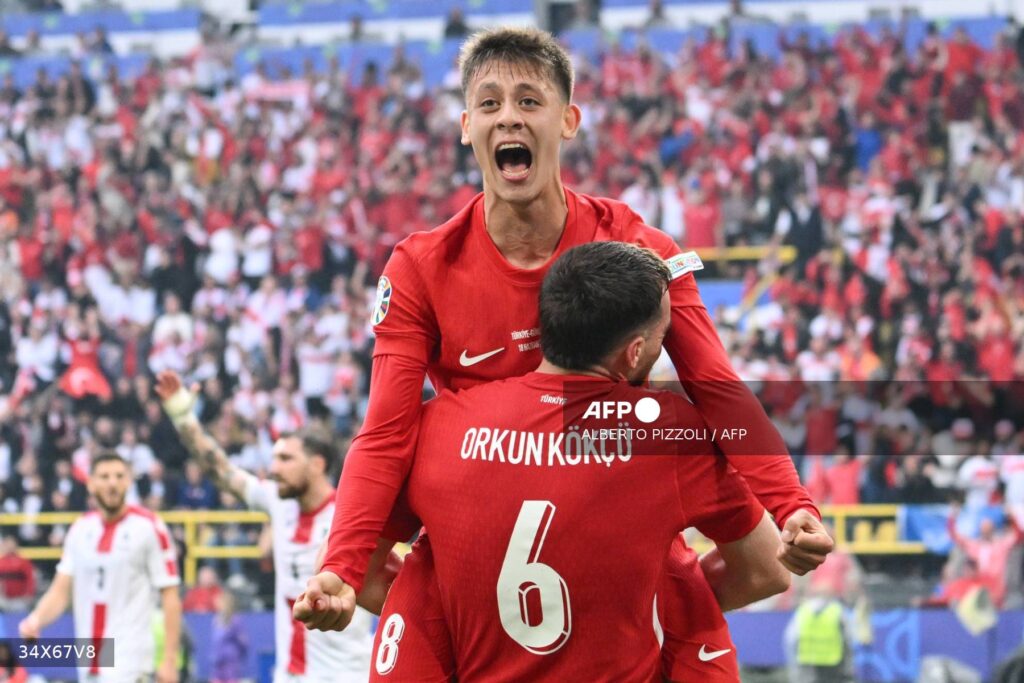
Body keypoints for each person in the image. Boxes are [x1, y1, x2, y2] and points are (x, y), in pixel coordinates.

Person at [299, 26, 831, 682]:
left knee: (756, 558)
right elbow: (384, 432)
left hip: (616, 512)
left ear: (568, 120)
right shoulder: (420, 266)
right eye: (489, 104)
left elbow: (717, 387)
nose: (509, 116)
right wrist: (342, 568)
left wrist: (792, 504)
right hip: (478, 512)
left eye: (529, 99)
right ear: (466, 127)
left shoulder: (637, 250)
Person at [368, 242, 791, 678]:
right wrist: (643, 603)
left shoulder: (438, 423)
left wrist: (463, 608)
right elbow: (765, 570)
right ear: (633, 352)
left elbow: (361, 569)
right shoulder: (664, 432)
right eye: (664, 338)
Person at [155, 372, 384, 682]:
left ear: (317, 465)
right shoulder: (278, 503)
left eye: (286, 459)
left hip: (345, 675)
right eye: (274, 458)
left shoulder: (352, 517)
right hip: (288, 675)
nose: (274, 469)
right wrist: (183, 417)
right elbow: (222, 471)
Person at [18, 453, 181, 683]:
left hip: (130, 658)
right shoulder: (80, 529)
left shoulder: (150, 527)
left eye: (119, 476)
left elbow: (170, 594)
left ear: (128, 481)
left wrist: (170, 660)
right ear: (91, 483)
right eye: (104, 476)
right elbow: (60, 590)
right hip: (90, 658)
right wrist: (35, 620)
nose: (112, 483)